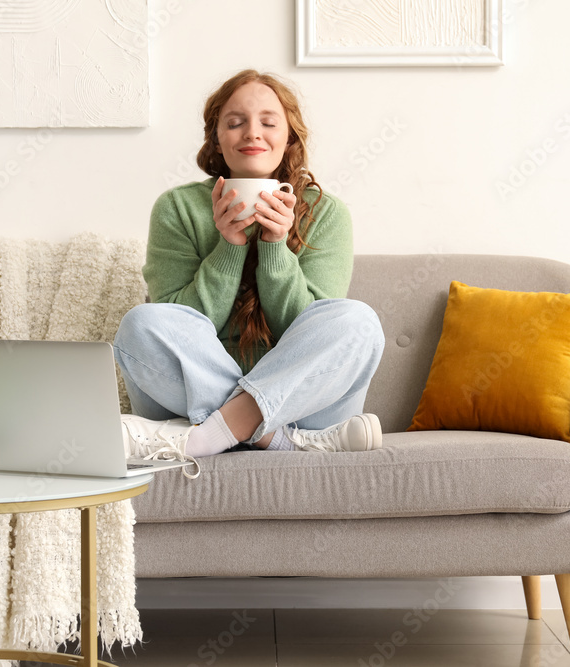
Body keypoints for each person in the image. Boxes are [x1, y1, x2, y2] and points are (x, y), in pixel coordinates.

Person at [113, 69, 385, 478]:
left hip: (297, 406)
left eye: (268, 122)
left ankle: (207, 436)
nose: (251, 133)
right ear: (217, 139)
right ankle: (275, 438)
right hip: (196, 396)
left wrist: (275, 247)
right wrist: (229, 248)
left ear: (289, 137)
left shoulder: (327, 213)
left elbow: (307, 330)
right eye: (235, 122)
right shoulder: (178, 208)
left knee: (358, 322)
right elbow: (178, 322)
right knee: (141, 323)